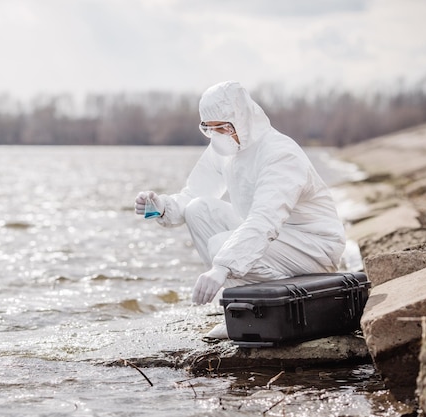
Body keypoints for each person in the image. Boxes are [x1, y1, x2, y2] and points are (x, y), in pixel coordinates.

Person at [134, 80, 346, 339]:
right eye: (209, 129)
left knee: (221, 247)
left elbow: (264, 220)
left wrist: (221, 268)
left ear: (242, 119)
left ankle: (256, 312)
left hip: (314, 247)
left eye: (222, 127)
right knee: (198, 209)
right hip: (275, 240)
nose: (217, 135)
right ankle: (239, 310)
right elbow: (193, 194)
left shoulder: (280, 154)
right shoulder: (225, 149)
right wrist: (160, 208)